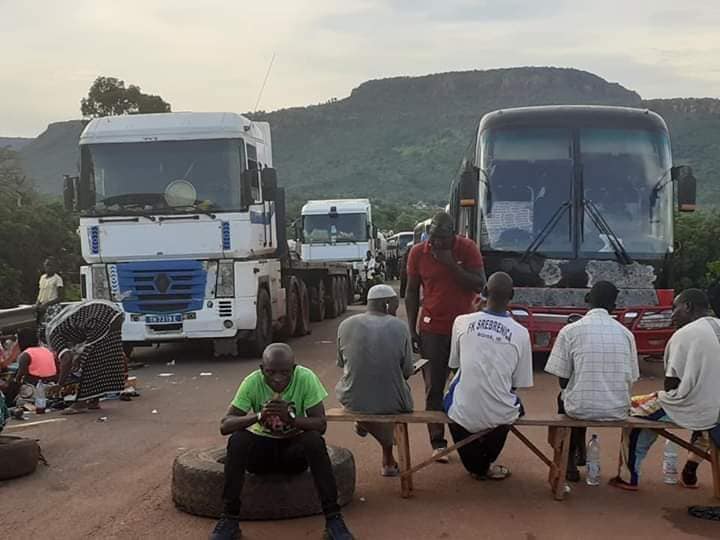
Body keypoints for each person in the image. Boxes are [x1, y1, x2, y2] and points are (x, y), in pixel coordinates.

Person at [212, 343, 353, 540]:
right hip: (261, 455)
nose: (278, 379)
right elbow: (225, 425)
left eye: (285, 373)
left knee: (313, 440)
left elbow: (320, 424)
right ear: (262, 370)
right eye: (271, 372)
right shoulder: (252, 382)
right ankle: (229, 519)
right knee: (238, 440)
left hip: (292, 454)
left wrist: (292, 420)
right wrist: (259, 416)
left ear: (294, 370)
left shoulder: (305, 378)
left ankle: (333, 519)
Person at [611, 289, 720, 491]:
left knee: (633, 408)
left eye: (674, 308)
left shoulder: (685, 334)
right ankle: (690, 469)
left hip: (695, 407)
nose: (672, 315)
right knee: (708, 421)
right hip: (715, 411)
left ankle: (628, 476)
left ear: (688, 306)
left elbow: (670, 385)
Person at [406, 211, 486, 459]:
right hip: (432, 329)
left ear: (453, 234)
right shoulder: (418, 252)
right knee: (433, 387)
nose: (436, 243)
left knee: (466, 385)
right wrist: (411, 328)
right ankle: (437, 442)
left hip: (465, 330)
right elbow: (410, 292)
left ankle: (466, 438)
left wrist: (451, 264)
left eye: (441, 237)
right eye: (432, 237)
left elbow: (479, 284)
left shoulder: (468, 248)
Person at [545, 281, 639, 482]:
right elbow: (632, 377)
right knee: (583, 392)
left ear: (587, 300)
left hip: (580, 408)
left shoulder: (570, 331)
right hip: (618, 409)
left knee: (567, 397)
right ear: (613, 306)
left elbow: (562, 381)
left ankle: (569, 459)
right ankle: (581, 449)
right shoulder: (626, 334)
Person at [443, 272, 533, 479]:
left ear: (483, 292)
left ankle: (476, 463)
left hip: (461, 410)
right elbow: (519, 382)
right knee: (512, 407)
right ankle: (483, 462)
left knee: (453, 399)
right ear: (512, 295)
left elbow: (455, 365)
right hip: (499, 413)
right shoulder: (521, 333)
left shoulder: (461, 322)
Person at [336, 284, 414, 476]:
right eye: (396, 304)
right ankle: (388, 455)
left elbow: (342, 363)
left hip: (352, 398)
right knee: (391, 392)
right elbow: (406, 371)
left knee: (367, 389)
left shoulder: (345, 325)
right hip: (392, 402)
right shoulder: (400, 327)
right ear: (387, 304)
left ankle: (365, 424)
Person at [47, 300, 126, 415]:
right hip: (114, 314)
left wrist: (60, 384)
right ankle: (94, 400)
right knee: (104, 356)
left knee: (90, 362)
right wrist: (78, 359)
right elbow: (83, 346)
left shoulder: (54, 335)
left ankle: (80, 404)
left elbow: (67, 359)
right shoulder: (63, 326)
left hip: (100, 319)